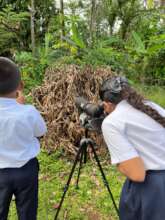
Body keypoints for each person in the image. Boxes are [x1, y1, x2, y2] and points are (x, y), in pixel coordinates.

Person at [100, 76, 165, 220]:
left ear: (106, 104)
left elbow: (137, 174)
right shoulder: (151, 106)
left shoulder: (112, 122)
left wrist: (119, 163)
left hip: (153, 191)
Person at [0, 57, 47, 220]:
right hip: (26, 170)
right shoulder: (28, 111)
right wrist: (20, 106)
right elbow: (41, 131)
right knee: (27, 212)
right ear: (20, 86)